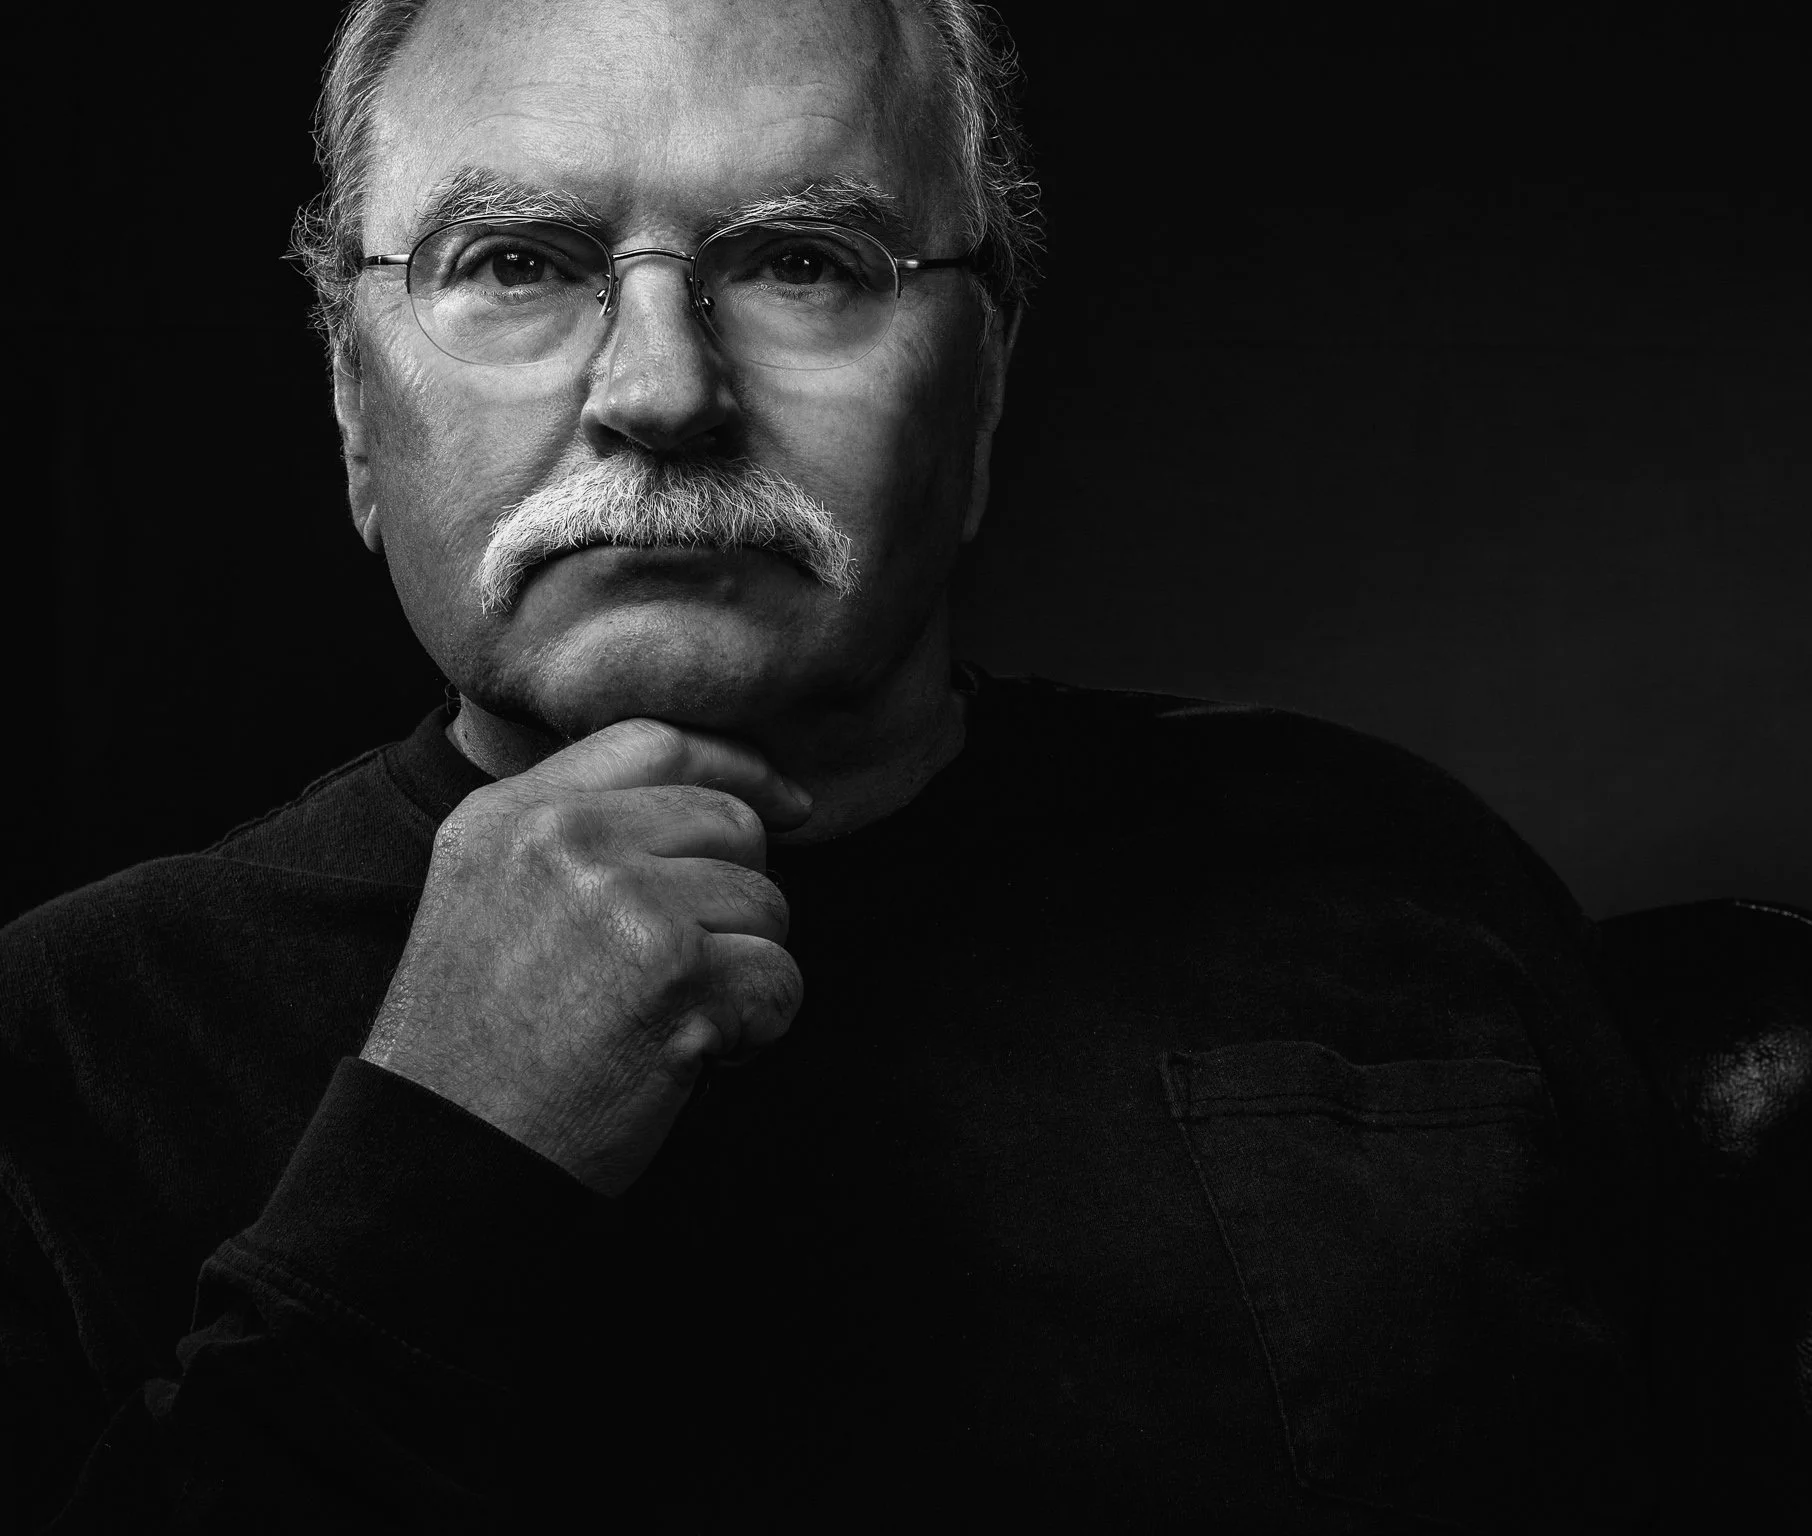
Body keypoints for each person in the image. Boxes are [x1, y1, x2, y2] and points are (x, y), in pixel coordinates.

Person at [0, 1, 1661, 1529]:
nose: (660, 391)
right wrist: (443, 1148)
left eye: (800, 260)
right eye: (512, 260)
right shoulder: (70, 1044)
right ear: (358, 404)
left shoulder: (1398, 884)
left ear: (983, 379)